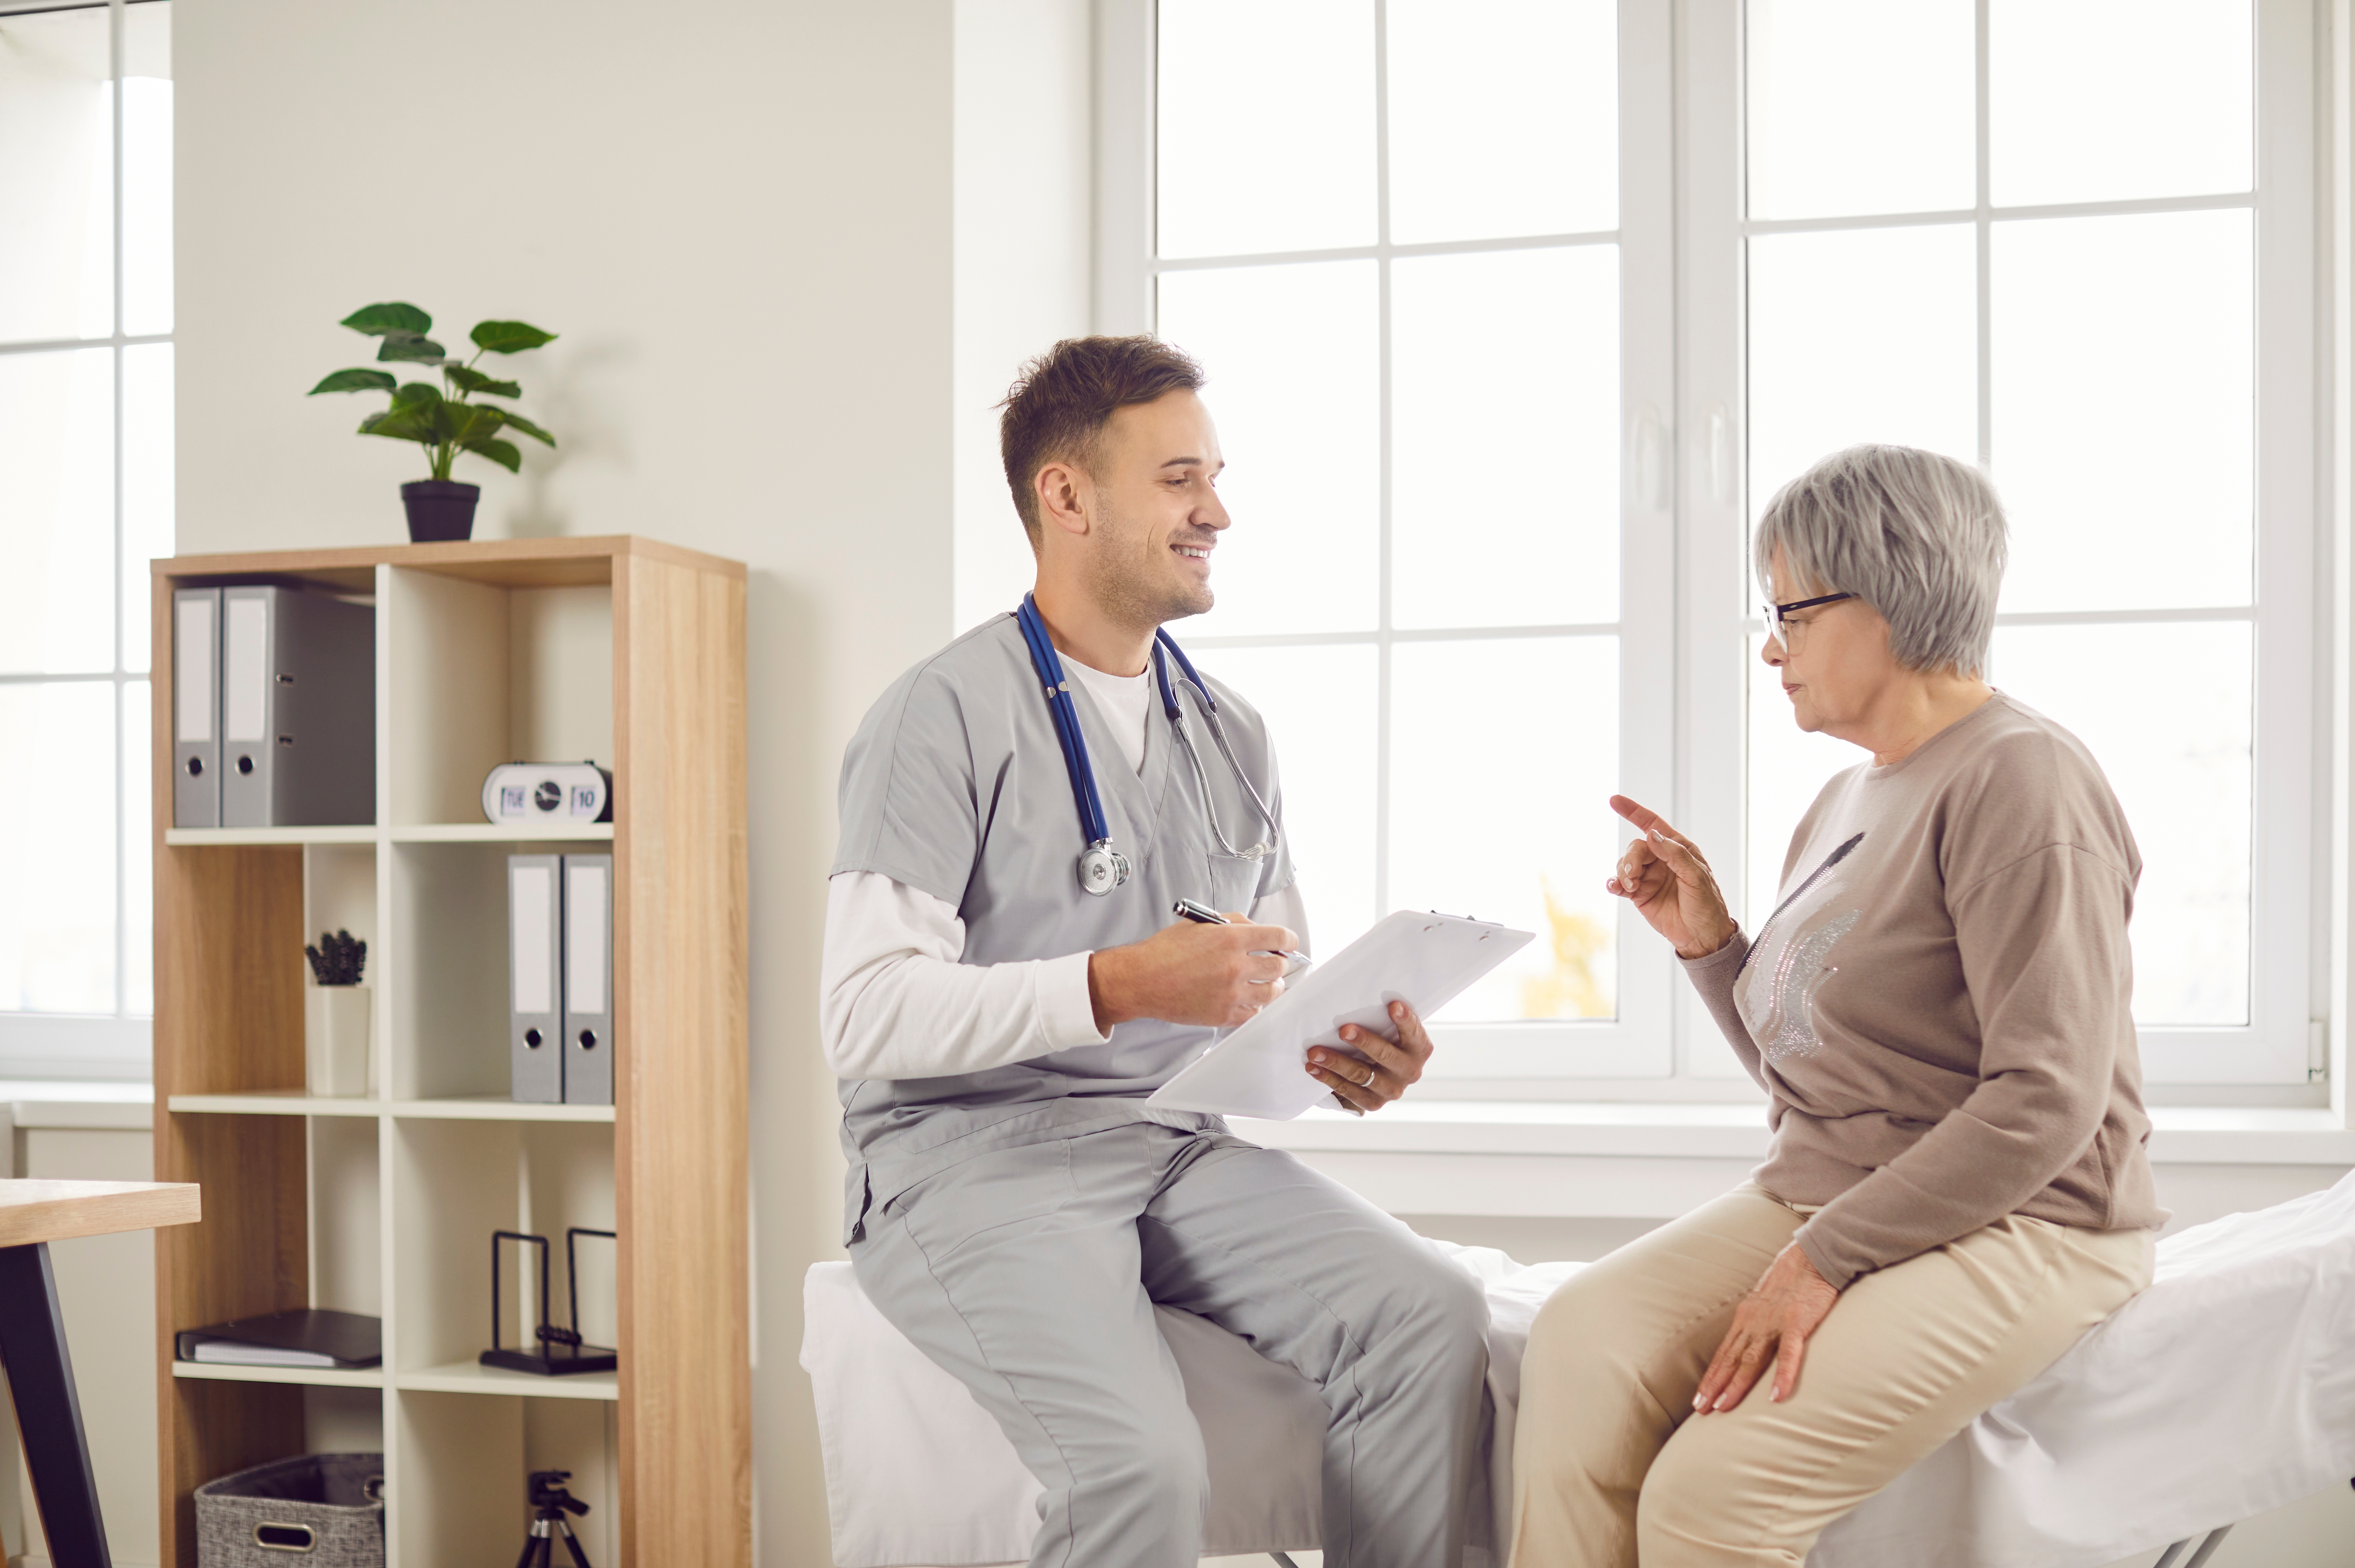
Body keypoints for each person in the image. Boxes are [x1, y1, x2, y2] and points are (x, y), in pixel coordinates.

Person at [822, 335, 1491, 1568]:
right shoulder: (940, 714)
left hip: (1171, 1143)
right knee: (1138, 1460)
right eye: (1181, 478)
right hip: (968, 1160)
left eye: (1217, 476)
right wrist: (1118, 983)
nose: (1218, 512)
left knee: (1432, 1318)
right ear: (1065, 497)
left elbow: (1266, 981)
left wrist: (1341, 1050)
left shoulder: (1232, 733)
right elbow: (864, 1015)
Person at [1508, 444, 2163, 1567]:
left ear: (1892, 593)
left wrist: (1822, 1259)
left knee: (1713, 1493)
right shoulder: (1841, 798)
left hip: (2033, 1217)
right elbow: (1824, 1075)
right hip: (1836, 1187)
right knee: (1579, 1343)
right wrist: (1711, 947)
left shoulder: (2024, 780)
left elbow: (2045, 1100)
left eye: (1791, 614)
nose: (1770, 647)